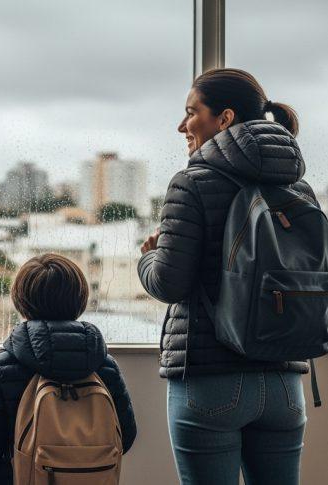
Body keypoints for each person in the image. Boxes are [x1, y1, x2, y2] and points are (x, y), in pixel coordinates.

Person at [138, 68, 313, 485]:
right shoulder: (300, 189)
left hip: (210, 381)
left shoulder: (191, 183)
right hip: (285, 383)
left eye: (191, 112)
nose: (181, 125)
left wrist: (148, 258)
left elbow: (169, 283)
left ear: (225, 118)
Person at [0, 253, 136, 484]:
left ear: (21, 302)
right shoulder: (105, 366)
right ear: (80, 299)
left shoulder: (1, 366)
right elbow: (125, 436)